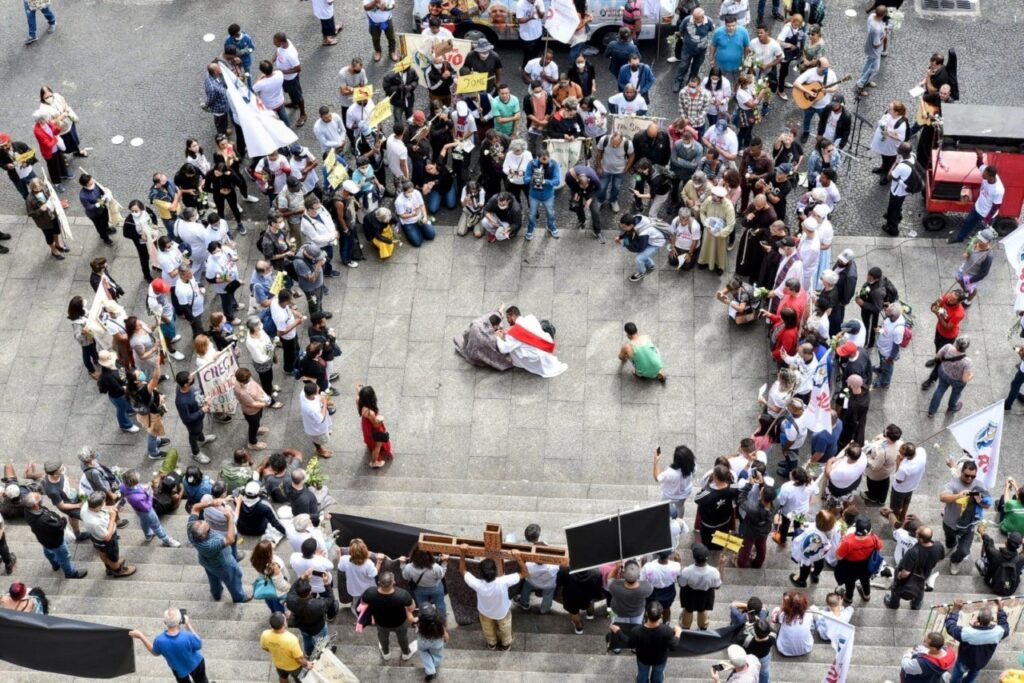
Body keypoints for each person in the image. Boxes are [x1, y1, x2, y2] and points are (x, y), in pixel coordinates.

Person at [458, 544, 527, 650]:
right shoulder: (503, 581)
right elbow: (525, 573)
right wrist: (518, 558)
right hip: (502, 612)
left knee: (487, 628)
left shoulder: (477, 584)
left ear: (480, 573)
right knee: (505, 628)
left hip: (485, 612)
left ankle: (492, 643)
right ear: (496, 571)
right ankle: (506, 644)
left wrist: (462, 553)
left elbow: (463, 570)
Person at [187, 497, 249, 603]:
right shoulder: (209, 545)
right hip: (222, 564)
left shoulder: (191, 528)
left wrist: (211, 503)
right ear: (203, 535)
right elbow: (230, 539)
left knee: (213, 578)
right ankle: (239, 597)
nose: (206, 522)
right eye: (207, 527)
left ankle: (216, 594)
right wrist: (229, 518)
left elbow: (195, 507)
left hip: (206, 561)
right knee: (233, 578)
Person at [608, 602, 682, 682]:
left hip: (643, 658)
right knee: (658, 674)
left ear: (646, 613)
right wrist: (678, 632)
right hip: (659, 659)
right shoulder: (666, 630)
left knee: (642, 673)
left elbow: (630, 643)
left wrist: (618, 631)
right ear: (661, 616)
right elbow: (673, 646)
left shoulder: (637, 630)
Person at [129, 609, 208, 683]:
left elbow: (155, 652)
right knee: (201, 680)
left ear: (165, 622)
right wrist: (188, 624)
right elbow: (199, 644)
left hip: (178, 668)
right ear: (180, 621)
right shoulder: (188, 636)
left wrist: (141, 636)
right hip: (195, 664)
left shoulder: (159, 640)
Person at [23, 492, 87, 579]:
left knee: (48, 550)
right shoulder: (43, 520)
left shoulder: (28, 510)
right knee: (64, 557)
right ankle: (71, 573)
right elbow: (59, 527)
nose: (41, 499)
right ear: (35, 506)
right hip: (55, 541)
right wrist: (63, 520)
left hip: (43, 539)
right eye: (39, 499)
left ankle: (55, 564)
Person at [945, 600, 1012, 683]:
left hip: (964, 661)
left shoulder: (968, 632)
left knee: (957, 673)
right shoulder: (998, 632)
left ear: (978, 619)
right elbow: (1004, 624)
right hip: (981, 662)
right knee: (972, 675)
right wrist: (1000, 608)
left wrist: (955, 610)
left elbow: (950, 627)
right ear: (991, 619)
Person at [495, 306, 568, 378]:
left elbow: (503, 349)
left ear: (513, 316)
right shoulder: (530, 318)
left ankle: (518, 362)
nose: (507, 321)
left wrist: (498, 338)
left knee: (512, 349)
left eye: (508, 318)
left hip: (537, 356)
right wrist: (509, 333)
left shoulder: (514, 333)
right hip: (545, 347)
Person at [950, 150, 1005, 243]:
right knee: (967, 223)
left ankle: (979, 247)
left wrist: (987, 219)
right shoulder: (987, 171)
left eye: (985, 176)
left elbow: (996, 207)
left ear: (991, 177)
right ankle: (960, 238)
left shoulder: (998, 190)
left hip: (987, 215)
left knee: (985, 234)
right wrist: (979, 157)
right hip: (977, 208)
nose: (982, 175)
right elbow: (979, 164)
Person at [884, 526, 944, 610]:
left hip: (910, 577)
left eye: (917, 533)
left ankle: (894, 604)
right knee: (920, 587)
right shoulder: (939, 546)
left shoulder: (913, 552)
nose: (916, 532)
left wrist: (899, 576)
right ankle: (916, 605)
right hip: (925, 574)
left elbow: (906, 573)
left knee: (896, 588)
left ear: (921, 539)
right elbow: (940, 559)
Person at [362, 571, 417, 662]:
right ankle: (406, 653)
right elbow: (412, 608)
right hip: (399, 622)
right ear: (393, 582)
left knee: (382, 637)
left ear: (378, 582)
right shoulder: (402, 594)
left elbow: (364, 603)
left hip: (381, 622)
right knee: (402, 637)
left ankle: (386, 653)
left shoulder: (370, 592)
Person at [121, 470, 180, 547]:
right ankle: (167, 540)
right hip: (146, 511)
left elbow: (132, 489)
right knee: (157, 526)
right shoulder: (136, 498)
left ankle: (148, 535)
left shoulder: (123, 486)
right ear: (134, 482)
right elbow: (147, 507)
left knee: (144, 521)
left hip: (138, 509)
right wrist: (150, 495)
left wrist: (143, 487)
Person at [927, 335, 974, 417]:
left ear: (956, 343)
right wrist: (971, 376)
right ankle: (952, 407)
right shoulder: (967, 362)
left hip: (943, 372)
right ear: (967, 347)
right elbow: (964, 379)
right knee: (956, 393)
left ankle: (931, 412)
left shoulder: (948, 347)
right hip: (957, 381)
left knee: (940, 390)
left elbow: (938, 356)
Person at [793, 58, 838, 142]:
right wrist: (808, 91)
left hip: (824, 106)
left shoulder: (831, 74)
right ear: (818, 66)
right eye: (824, 68)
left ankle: (820, 135)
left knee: (823, 122)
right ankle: (806, 132)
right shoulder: (810, 72)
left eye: (828, 67)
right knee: (807, 119)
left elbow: (835, 88)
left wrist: (827, 90)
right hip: (810, 104)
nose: (827, 70)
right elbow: (796, 83)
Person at [285, 577, 333, 657]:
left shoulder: (290, 601)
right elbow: (331, 598)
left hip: (303, 626)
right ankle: (323, 651)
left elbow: (292, 589)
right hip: (318, 627)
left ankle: (308, 653)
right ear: (310, 592)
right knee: (323, 638)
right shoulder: (318, 604)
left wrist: (301, 577)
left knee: (306, 638)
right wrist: (326, 584)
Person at [261, 612, 312, 683]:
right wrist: (307, 664)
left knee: (283, 678)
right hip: (294, 667)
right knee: (300, 679)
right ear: (284, 624)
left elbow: (264, 648)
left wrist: (275, 649)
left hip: (278, 664)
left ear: (271, 625)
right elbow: (299, 659)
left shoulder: (265, 634)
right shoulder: (291, 639)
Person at [698, 185, 736, 274]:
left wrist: (719, 233)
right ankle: (704, 261)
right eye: (713, 197)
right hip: (708, 230)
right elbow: (702, 211)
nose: (713, 200)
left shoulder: (729, 207)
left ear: (722, 198)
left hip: (720, 233)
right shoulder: (709, 200)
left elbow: (731, 225)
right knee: (706, 246)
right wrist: (705, 224)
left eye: (716, 199)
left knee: (720, 249)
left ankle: (720, 266)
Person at [400, 548, 448, 619]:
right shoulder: (435, 567)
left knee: (422, 607)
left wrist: (402, 564)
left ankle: (425, 620)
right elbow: (441, 575)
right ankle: (442, 622)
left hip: (419, 589)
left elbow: (405, 577)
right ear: (429, 556)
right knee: (440, 605)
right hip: (436, 588)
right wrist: (444, 562)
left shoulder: (409, 567)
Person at [273, 33, 307, 127]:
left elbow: (298, 69)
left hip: (291, 79)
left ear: (282, 42)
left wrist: (282, 71)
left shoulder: (291, 54)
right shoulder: (282, 46)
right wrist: (273, 59)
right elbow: (277, 51)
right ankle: (294, 103)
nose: (273, 43)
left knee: (298, 96)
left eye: (275, 42)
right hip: (284, 78)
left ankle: (303, 114)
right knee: (289, 92)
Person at [956, 227, 996, 306]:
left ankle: (968, 301)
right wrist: (967, 252)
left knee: (971, 290)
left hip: (972, 276)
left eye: (983, 241)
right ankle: (965, 291)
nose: (980, 242)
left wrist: (970, 280)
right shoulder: (975, 242)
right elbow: (969, 247)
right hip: (964, 268)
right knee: (958, 279)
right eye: (980, 239)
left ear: (988, 242)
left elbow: (983, 274)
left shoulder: (988, 256)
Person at [978, 531, 1024, 596]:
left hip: (992, 583)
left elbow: (988, 541)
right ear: (1018, 546)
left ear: (1006, 542)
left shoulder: (993, 553)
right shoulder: (1021, 559)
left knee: (983, 560)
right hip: (1010, 588)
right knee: (1020, 568)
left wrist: (983, 532)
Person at [709, 14, 750, 87]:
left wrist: (747, 60)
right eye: (728, 26)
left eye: (733, 25)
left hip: (737, 64)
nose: (731, 28)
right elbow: (713, 46)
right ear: (725, 24)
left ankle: (738, 93)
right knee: (719, 81)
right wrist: (711, 59)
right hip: (720, 64)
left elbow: (746, 47)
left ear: (736, 23)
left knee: (738, 81)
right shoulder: (718, 32)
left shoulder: (743, 32)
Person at [356, 384, 392, 467]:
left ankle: (371, 447)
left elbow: (359, 396)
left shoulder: (359, 401)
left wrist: (359, 390)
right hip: (373, 429)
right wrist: (380, 419)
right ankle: (374, 462)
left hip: (366, 425)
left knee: (371, 440)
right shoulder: (370, 413)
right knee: (378, 445)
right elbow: (375, 425)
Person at [884, 142, 915, 236]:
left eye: (899, 149)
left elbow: (889, 176)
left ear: (902, 153)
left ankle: (893, 229)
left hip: (897, 191)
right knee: (897, 205)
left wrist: (895, 163)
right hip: (903, 190)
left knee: (894, 207)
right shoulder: (913, 156)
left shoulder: (901, 166)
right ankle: (896, 215)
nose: (897, 150)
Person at [770, 591, 813, 657]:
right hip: (806, 649)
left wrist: (782, 608)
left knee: (777, 627)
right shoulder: (809, 614)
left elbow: (775, 620)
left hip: (784, 650)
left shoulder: (783, 615)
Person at [416, 602, 448, 682]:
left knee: (423, 652)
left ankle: (430, 670)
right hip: (437, 642)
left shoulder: (418, 622)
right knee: (437, 654)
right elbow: (445, 635)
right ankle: (435, 664)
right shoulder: (440, 622)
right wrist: (445, 640)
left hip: (423, 641)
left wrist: (407, 611)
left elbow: (411, 619)